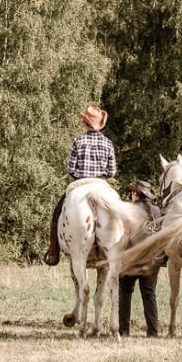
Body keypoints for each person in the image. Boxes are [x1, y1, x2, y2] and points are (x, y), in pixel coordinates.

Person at [43, 106, 116, 265]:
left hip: (80, 182)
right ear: (100, 124)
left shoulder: (78, 141)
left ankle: (53, 251)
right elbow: (112, 171)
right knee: (121, 212)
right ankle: (126, 246)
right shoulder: (108, 143)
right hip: (101, 183)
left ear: (85, 123)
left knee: (57, 213)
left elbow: (71, 168)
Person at [119, 180, 162, 337]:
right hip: (151, 261)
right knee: (149, 295)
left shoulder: (127, 209)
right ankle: (152, 332)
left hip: (130, 260)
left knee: (125, 293)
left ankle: (124, 331)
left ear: (135, 193)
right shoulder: (157, 211)